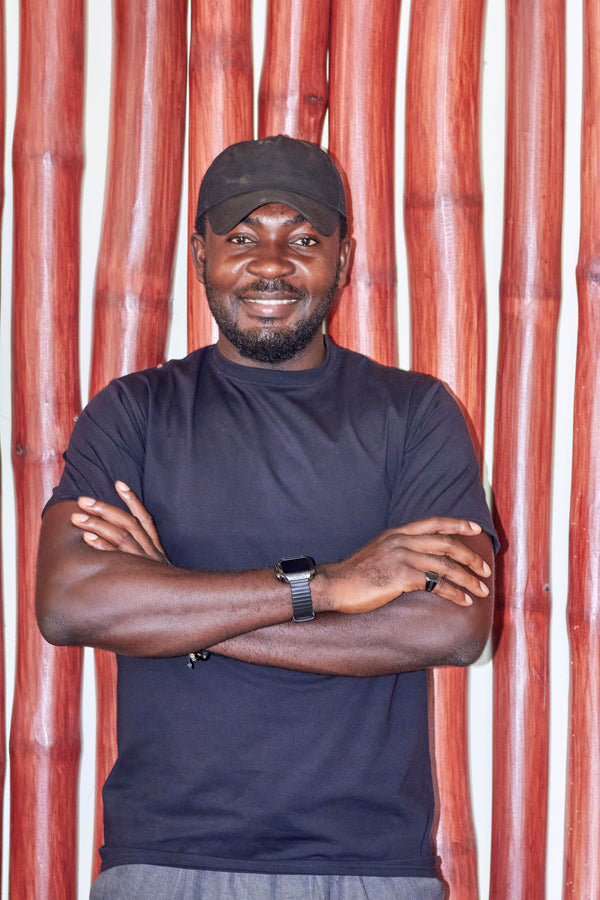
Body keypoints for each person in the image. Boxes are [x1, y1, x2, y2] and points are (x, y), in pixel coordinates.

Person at [36, 134, 496, 900]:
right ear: (201, 255)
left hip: (370, 867)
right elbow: (68, 603)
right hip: (163, 862)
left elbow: (451, 627)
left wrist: (177, 606)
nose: (272, 264)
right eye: (243, 238)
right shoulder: (135, 413)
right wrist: (328, 586)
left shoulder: (415, 414)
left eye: (304, 240)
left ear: (343, 260)